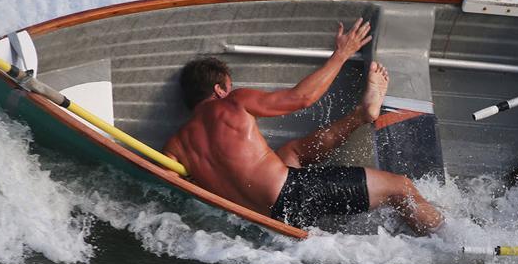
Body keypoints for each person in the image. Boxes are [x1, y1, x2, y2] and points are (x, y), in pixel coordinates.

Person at [163, 18, 443, 234]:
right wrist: (342, 53)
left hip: (267, 219)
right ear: (220, 88)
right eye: (230, 85)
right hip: (294, 195)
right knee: (401, 187)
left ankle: (361, 115)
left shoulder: (176, 146)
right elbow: (302, 98)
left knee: (292, 153)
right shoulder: (233, 103)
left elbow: (165, 180)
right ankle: (448, 238)